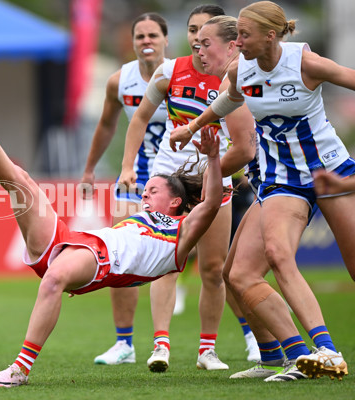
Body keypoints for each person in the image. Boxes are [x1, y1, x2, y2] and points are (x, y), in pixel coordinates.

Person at [0, 59, 225, 387]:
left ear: (175, 202)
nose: (144, 194)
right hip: (76, 243)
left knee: (54, 278)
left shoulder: (182, 234)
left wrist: (213, 157)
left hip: (101, 262)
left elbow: (211, 203)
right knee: (18, 180)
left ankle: (19, 370)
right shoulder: (142, 216)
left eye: (152, 190)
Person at [169, 1, 351, 381]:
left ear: (271, 35)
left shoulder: (305, 63)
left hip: (331, 171)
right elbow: (226, 101)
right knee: (264, 261)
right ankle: (316, 354)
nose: (239, 42)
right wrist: (191, 128)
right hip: (283, 179)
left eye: (244, 35)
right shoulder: (240, 70)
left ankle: (299, 354)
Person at [119, 5, 257, 372]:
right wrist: (128, 165)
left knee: (214, 268)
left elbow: (245, 141)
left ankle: (206, 351)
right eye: (193, 33)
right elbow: (140, 119)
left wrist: (232, 169)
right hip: (170, 175)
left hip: (215, 173)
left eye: (204, 35)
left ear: (225, 43)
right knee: (165, 262)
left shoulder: (237, 80)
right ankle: (160, 345)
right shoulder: (169, 72)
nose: (197, 42)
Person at [80, 12, 175, 365]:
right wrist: (90, 169)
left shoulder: (181, 75)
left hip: (179, 179)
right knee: (120, 255)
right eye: (140, 36)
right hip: (133, 179)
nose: (146, 42)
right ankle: (125, 344)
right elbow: (105, 126)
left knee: (212, 263)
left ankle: (247, 337)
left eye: (153, 35)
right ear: (132, 42)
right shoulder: (120, 81)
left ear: (166, 40)